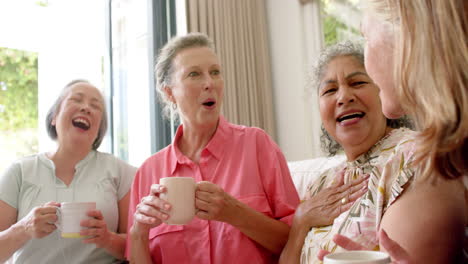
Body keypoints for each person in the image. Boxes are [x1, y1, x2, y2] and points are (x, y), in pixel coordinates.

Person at [126, 32, 300, 264]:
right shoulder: (148, 171)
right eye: (194, 74)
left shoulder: (257, 145)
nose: (209, 83)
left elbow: (297, 241)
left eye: (215, 72)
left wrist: (235, 213)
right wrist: (138, 233)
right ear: (169, 93)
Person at [319, 1, 467, 262]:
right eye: (329, 90)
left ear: (406, 37)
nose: (343, 97)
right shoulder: (326, 181)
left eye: (365, 37)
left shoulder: (420, 164)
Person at [279, 41, 419, 264]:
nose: (343, 97)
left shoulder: (411, 156)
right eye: (330, 90)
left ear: (383, 90)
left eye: (357, 83)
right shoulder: (322, 183)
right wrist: (300, 220)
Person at [0, 80, 136, 263]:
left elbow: (140, 246)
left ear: (99, 129)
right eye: (76, 100)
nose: (86, 108)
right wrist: (24, 228)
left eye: (95, 106)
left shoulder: (122, 173)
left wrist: (107, 238)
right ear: (54, 117)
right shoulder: (19, 171)